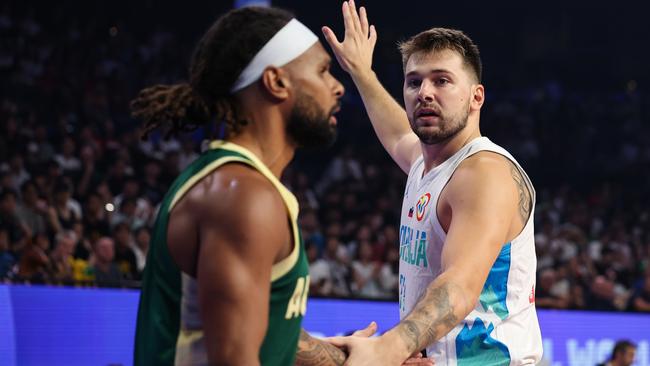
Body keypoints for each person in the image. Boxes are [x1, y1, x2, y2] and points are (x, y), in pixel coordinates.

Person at [131, 6, 425, 366]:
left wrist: (343, 358)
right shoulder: (242, 198)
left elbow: (256, 328)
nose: (336, 87)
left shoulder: (233, 184)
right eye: (322, 71)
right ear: (276, 82)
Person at [323, 1, 542, 364]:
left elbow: (459, 286)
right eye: (414, 82)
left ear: (476, 97)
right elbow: (395, 134)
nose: (424, 92)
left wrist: (391, 347)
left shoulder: (483, 172)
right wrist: (361, 72)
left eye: (441, 80)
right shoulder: (425, 163)